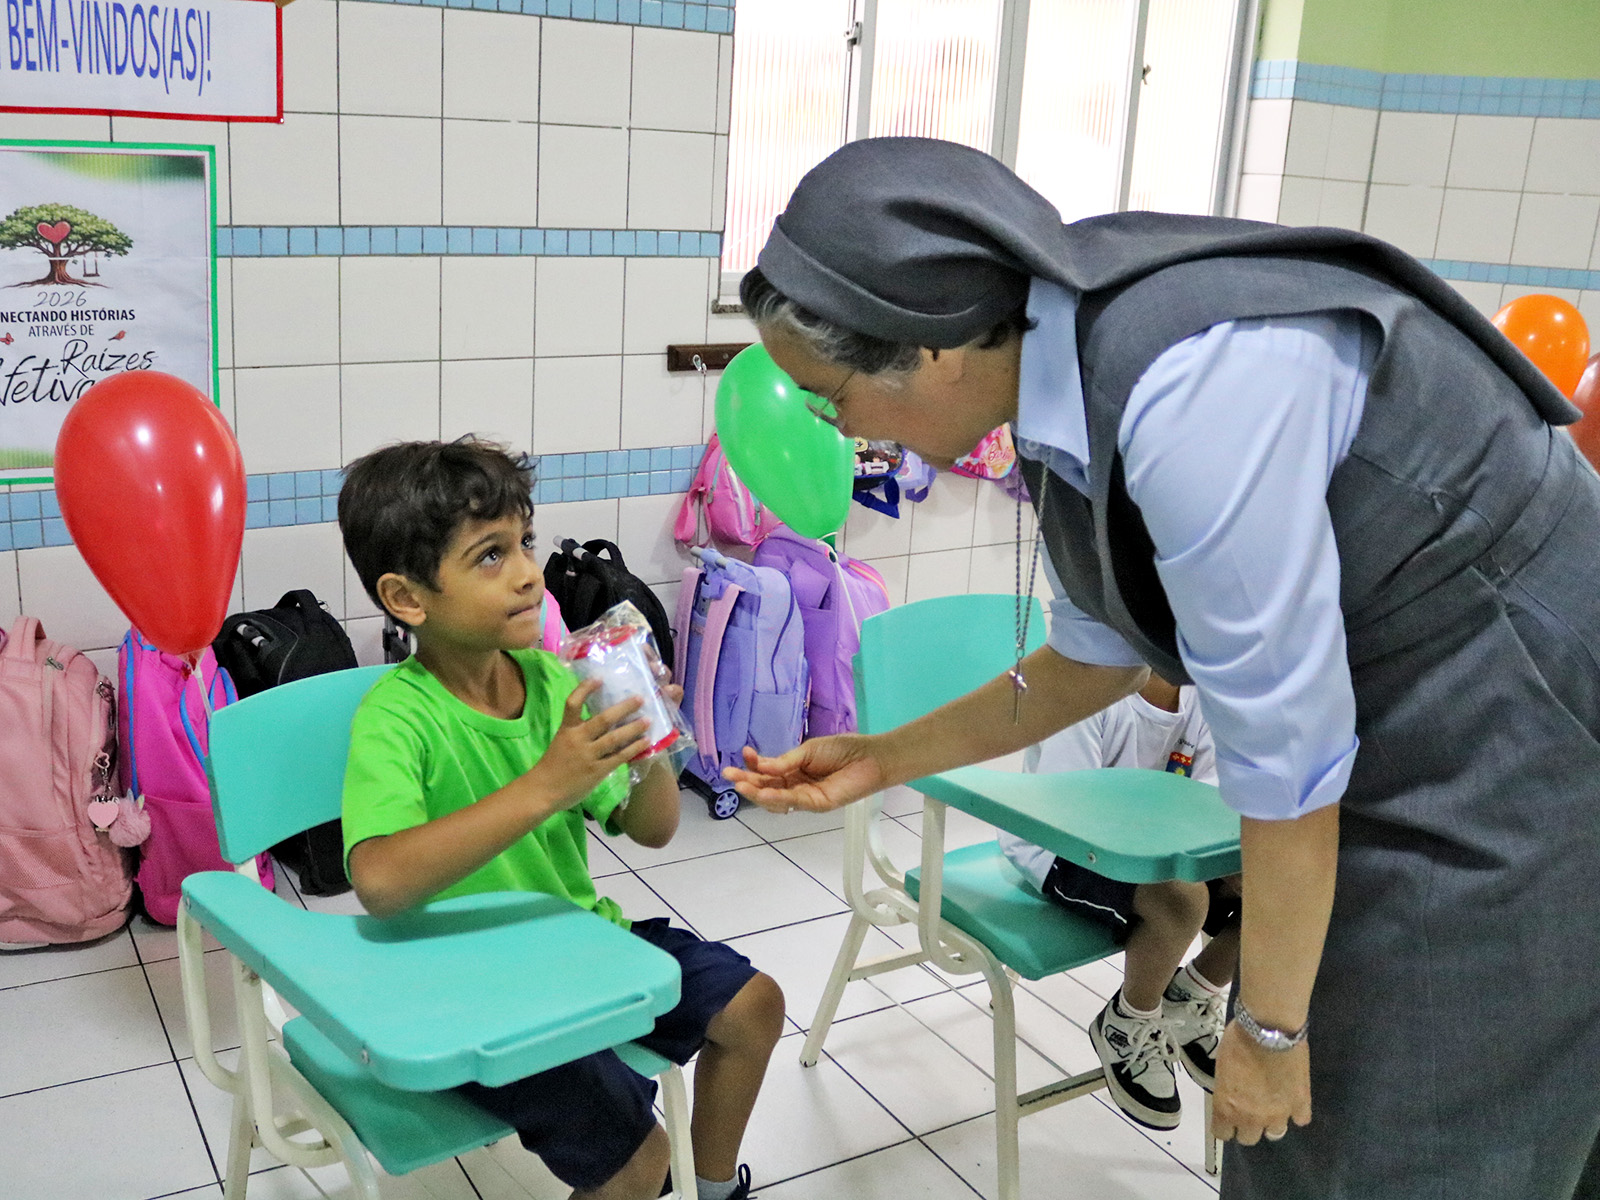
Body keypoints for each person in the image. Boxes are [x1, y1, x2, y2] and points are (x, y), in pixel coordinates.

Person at [722, 136, 1600, 1200]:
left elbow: (1286, 763)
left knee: (1414, 1118)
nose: (837, 427)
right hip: (1401, 713)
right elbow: (1088, 661)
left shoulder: (1189, 390)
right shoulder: (1052, 388)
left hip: (1527, 713)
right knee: (1312, 1117)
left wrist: (1267, 1030)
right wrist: (881, 757)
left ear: (934, 348)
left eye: (830, 397)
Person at [337, 438, 784, 1200]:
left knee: (753, 1006)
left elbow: (653, 828)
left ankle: (714, 1192)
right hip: (470, 995)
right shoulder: (395, 718)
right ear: (408, 599)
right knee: (640, 1161)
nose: (527, 572)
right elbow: (379, 883)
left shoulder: (553, 682)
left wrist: (647, 744)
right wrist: (546, 785)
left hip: (580, 951)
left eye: (525, 542)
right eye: (490, 556)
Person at [1001, 671, 1238, 1131]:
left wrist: (1224, 859)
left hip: (1161, 842)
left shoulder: (1203, 692)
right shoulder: (1088, 689)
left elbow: (1212, 797)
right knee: (1182, 903)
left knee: (1277, 883)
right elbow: (1070, 810)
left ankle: (1191, 994)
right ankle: (1128, 1019)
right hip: (1061, 845)